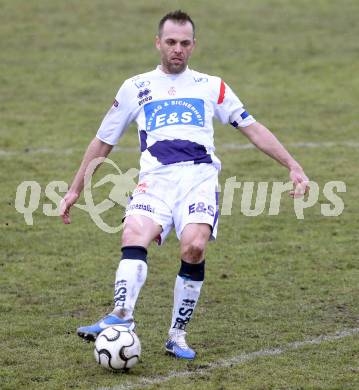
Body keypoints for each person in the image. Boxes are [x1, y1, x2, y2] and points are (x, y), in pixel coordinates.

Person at [60, 10, 309, 360]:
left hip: (199, 180)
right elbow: (103, 141)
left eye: (185, 43)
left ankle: (177, 334)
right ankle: (121, 315)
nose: (178, 49)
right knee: (133, 233)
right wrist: (75, 188)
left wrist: (292, 164)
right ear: (158, 43)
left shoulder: (211, 86)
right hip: (155, 180)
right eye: (171, 42)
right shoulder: (135, 88)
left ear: (194, 46)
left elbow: (252, 127)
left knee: (193, 248)